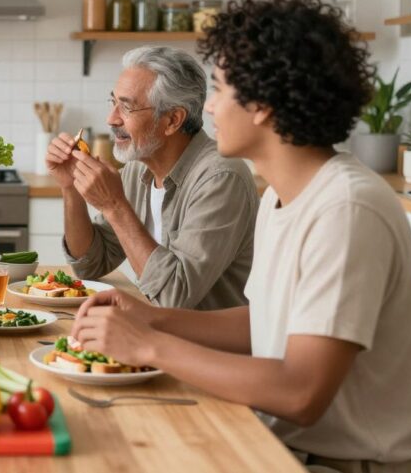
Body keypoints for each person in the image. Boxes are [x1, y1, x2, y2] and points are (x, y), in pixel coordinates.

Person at [72, 0, 411, 472]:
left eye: (219, 89)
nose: (211, 108)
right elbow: (264, 322)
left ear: (261, 104)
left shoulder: (346, 209)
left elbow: (301, 392)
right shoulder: (280, 196)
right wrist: (147, 317)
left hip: (340, 462)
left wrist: (148, 345)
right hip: (280, 440)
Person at [46, 46, 256, 310]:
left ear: (172, 120)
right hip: (151, 333)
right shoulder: (138, 170)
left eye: (127, 107)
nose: (111, 119)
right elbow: (90, 263)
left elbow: (174, 296)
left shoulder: (220, 178)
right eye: (113, 103)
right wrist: (70, 187)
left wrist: (114, 206)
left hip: (199, 347)